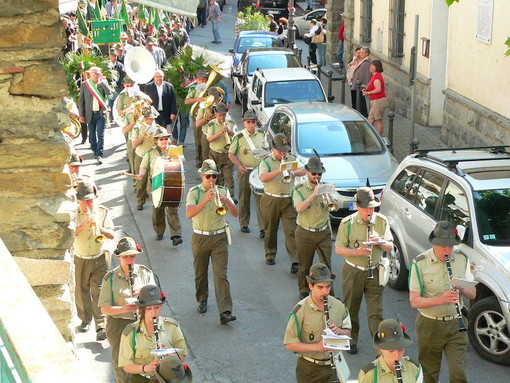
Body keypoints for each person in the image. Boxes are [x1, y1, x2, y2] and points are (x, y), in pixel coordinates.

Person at [409, 221, 476, 383]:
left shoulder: (462, 259)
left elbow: (472, 294)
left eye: (451, 246)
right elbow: (414, 301)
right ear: (435, 244)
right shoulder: (420, 263)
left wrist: (462, 288)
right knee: (430, 374)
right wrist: (439, 300)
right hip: (429, 325)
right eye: (443, 247)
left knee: (458, 373)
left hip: (456, 324)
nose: (447, 251)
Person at [334, 186, 393, 354]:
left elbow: (390, 246)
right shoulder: (348, 223)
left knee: (376, 312)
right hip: (353, 271)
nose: (370, 211)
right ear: (358, 207)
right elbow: (338, 249)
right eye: (367, 208)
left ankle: (379, 347)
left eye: (372, 207)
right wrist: (357, 252)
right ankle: (351, 339)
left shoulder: (381, 221)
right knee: (351, 307)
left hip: (374, 271)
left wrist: (380, 242)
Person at [185, 159, 238, 324]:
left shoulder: (223, 190)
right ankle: (202, 298)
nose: (212, 179)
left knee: (221, 275)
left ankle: (225, 311)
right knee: (200, 273)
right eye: (208, 176)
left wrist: (227, 200)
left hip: (219, 237)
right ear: (202, 176)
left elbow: (235, 213)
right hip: (200, 237)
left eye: (214, 176)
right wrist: (206, 199)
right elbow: (189, 214)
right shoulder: (194, 192)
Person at [98, 237, 157, 383]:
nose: (129, 260)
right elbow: (104, 308)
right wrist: (123, 308)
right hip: (119, 325)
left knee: (147, 358)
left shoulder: (145, 273)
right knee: (121, 363)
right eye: (125, 257)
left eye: (132, 256)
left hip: (143, 322)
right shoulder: (110, 278)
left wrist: (142, 296)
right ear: (118, 257)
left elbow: (156, 300)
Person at [284, 263, 352, 383]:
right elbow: (290, 344)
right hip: (309, 370)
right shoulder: (300, 310)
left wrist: (339, 331)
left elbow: (349, 334)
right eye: (320, 287)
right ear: (310, 286)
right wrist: (317, 347)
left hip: (334, 366)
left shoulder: (338, 305)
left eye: (328, 287)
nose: (325, 292)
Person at [293, 155, 341, 299]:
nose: (316, 176)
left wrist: (330, 199)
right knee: (304, 265)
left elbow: (336, 208)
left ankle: (329, 294)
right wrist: (314, 194)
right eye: (313, 173)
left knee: (326, 265)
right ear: (307, 173)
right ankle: (303, 290)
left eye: (319, 173)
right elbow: (299, 208)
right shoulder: (299, 189)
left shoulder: (326, 187)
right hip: (305, 232)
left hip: (323, 232)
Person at [118, 285, 188, 382]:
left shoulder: (172, 327)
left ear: (161, 306)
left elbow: (183, 356)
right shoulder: (130, 331)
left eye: (157, 307)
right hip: (141, 379)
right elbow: (126, 365)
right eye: (149, 309)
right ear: (142, 309)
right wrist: (146, 368)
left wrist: (171, 356)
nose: (153, 313)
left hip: (166, 378)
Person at [73, 179, 114, 341]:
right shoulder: (73, 214)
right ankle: (85, 319)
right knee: (81, 291)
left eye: (90, 200)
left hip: (99, 257)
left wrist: (100, 228)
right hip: (80, 258)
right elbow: (70, 234)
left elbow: (111, 234)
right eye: (84, 201)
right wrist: (84, 225)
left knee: (100, 291)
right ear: (78, 200)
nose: (88, 204)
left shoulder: (103, 212)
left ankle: (101, 325)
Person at [258, 133, 305, 273]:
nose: (283, 153)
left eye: (285, 150)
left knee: (291, 231)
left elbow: (303, 170)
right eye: (280, 151)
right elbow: (263, 177)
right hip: (271, 199)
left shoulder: (291, 159)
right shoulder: (266, 161)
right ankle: (270, 253)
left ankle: (295, 261)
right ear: (273, 148)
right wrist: (279, 170)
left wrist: (293, 173)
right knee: (270, 229)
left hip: (288, 199)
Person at [137, 127, 183, 245]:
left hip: (172, 182)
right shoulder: (150, 152)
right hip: (155, 183)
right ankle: (159, 230)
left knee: (172, 207)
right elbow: (144, 167)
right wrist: (141, 175)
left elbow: (182, 161)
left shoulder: (174, 149)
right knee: (158, 208)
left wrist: (179, 158)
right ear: (156, 141)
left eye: (166, 138)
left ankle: (176, 235)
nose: (164, 141)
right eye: (161, 139)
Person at [228, 110, 267, 235]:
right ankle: (244, 223)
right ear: (243, 123)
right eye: (248, 122)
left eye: (253, 122)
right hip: (245, 171)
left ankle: (263, 227)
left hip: (258, 171)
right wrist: (239, 165)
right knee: (244, 198)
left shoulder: (261, 133)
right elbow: (231, 154)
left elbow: (266, 149)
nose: (251, 124)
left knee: (261, 200)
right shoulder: (239, 136)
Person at [358, 319, 423, 383]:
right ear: (381, 349)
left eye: (400, 349)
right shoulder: (369, 375)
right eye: (391, 351)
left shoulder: (415, 368)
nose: (397, 356)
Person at [78, 66, 113, 165]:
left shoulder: (102, 83)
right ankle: (94, 149)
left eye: (97, 73)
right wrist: (81, 114)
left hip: (100, 114)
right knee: (92, 136)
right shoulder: (85, 85)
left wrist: (103, 82)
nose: (96, 75)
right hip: (89, 114)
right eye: (94, 73)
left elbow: (110, 94)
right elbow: (81, 101)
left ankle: (99, 154)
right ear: (90, 74)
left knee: (100, 134)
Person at [204, 102, 235, 199]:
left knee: (228, 177)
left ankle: (230, 197)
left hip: (227, 154)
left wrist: (229, 132)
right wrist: (221, 132)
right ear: (216, 114)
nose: (222, 117)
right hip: (215, 153)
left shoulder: (230, 122)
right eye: (220, 115)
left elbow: (236, 136)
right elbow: (209, 139)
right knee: (216, 177)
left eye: (223, 115)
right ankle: (217, 196)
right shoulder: (211, 124)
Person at [132, 107, 159, 210]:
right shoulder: (137, 128)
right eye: (147, 119)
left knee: (153, 181)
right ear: (143, 118)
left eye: (151, 119)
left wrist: (156, 135)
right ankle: (140, 201)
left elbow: (162, 143)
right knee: (140, 181)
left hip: (153, 156)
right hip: (141, 156)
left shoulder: (156, 127)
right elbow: (134, 145)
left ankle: (155, 202)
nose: (149, 121)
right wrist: (143, 136)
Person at [184, 70, 209, 168]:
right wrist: (198, 99)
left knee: (207, 139)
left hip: (208, 117)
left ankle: (206, 159)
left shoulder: (209, 88)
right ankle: (199, 159)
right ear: (197, 80)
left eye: (203, 79)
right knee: (198, 139)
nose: (202, 81)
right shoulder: (194, 89)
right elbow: (186, 101)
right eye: (200, 79)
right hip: (197, 117)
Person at [363, 60, 388, 136]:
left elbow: (378, 89)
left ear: (377, 67)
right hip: (374, 101)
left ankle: (379, 138)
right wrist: (366, 89)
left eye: (372, 66)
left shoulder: (377, 77)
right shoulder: (374, 76)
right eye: (370, 65)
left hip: (378, 100)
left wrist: (368, 93)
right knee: (370, 119)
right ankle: (367, 135)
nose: (370, 67)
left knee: (378, 120)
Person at [350, 46, 371, 117]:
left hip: (360, 84)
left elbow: (367, 74)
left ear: (367, 54)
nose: (361, 54)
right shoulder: (360, 60)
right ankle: (357, 112)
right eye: (360, 52)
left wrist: (365, 85)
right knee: (356, 98)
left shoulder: (367, 62)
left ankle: (363, 114)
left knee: (361, 99)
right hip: (356, 83)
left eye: (363, 52)